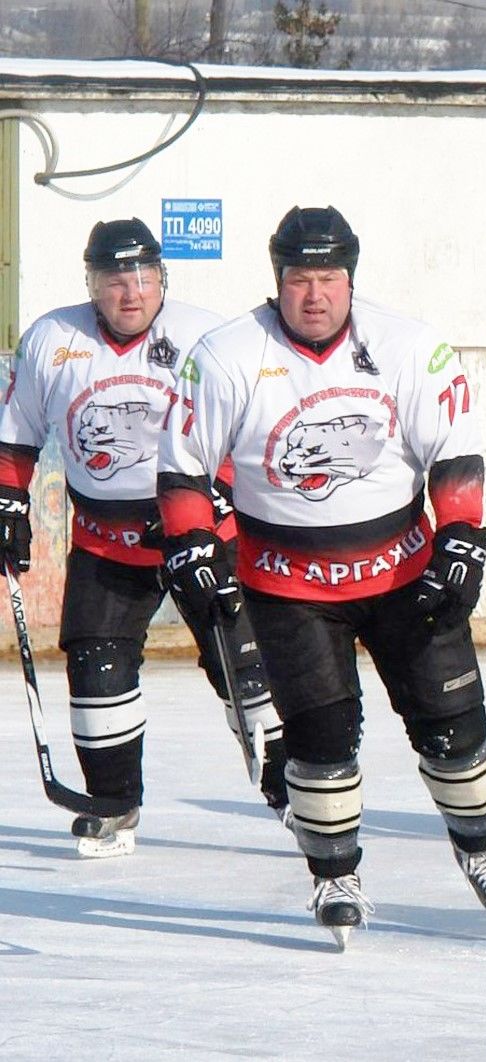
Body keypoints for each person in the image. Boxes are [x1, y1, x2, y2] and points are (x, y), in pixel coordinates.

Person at [155, 205, 486, 948]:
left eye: (328, 278)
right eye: (299, 279)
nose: (314, 294)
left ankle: (481, 848)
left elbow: (453, 453)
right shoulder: (226, 355)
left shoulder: (409, 346)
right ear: (278, 282)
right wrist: (190, 543)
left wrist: (460, 537)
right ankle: (334, 874)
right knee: (321, 740)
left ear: (350, 279)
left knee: (453, 728)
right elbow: (186, 469)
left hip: (404, 576)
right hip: (289, 585)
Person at [0, 218, 288, 858]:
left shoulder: (203, 336)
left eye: (144, 276)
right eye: (114, 279)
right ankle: (112, 803)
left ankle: (294, 794)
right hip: (106, 540)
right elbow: (17, 432)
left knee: (247, 664)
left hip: (201, 534)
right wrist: (8, 499)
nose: (131, 292)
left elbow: (250, 424)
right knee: (96, 665)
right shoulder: (53, 339)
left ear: (163, 279)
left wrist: (215, 489)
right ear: (92, 284)